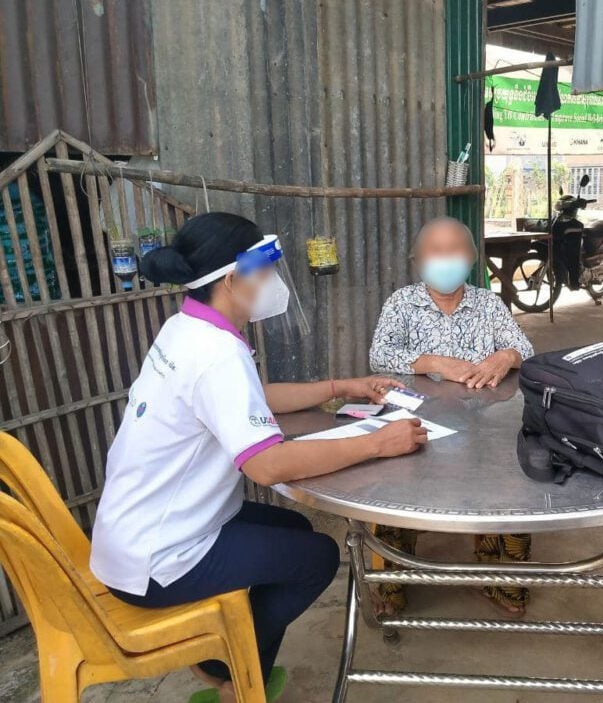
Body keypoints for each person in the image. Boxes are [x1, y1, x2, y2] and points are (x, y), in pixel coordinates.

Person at [90, 213, 427, 703]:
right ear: (233, 279)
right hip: (158, 561)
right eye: (266, 272)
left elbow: (251, 397)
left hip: (131, 535)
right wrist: (378, 442)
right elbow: (266, 466)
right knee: (317, 558)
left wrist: (340, 387)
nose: (272, 284)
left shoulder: (186, 328)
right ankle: (232, 670)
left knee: (293, 533)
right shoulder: (217, 354)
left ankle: (230, 661)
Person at [368, 216, 535, 616]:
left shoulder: (488, 304)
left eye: (456, 250)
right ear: (417, 259)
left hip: (485, 424)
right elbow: (379, 354)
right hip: (419, 423)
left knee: (510, 488)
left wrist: (505, 355)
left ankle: (502, 584)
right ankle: (393, 586)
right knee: (396, 495)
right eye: (435, 251)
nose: (446, 259)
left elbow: (523, 348)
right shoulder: (401, 303)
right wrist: (430, 362)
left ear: (473, 258)